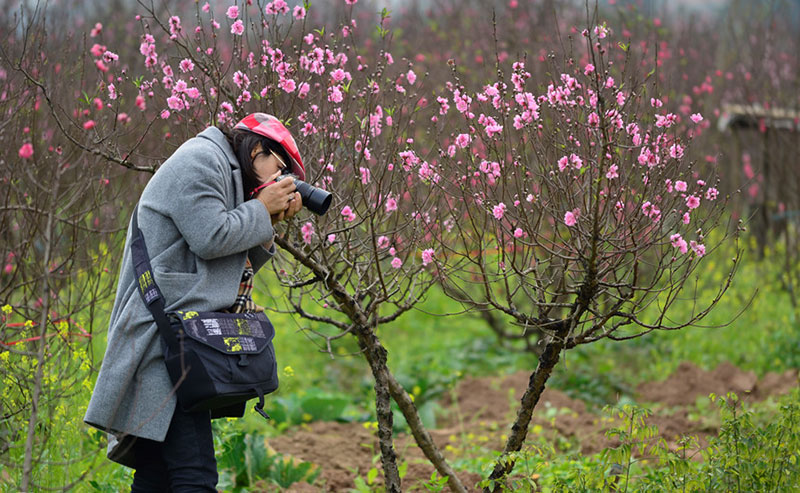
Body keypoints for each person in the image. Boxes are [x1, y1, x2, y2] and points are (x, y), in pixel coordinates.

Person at [84, 113, 304, 491]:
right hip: (162, 337)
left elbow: (227, 267)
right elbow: (210, 237)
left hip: (179, 336)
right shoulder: (200, 160)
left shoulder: (228, 173)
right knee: (196, 473)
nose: (279, 179)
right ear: (256, 149)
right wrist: (260, 209)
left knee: (156, 474)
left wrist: (267, 220)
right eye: (280, 168)